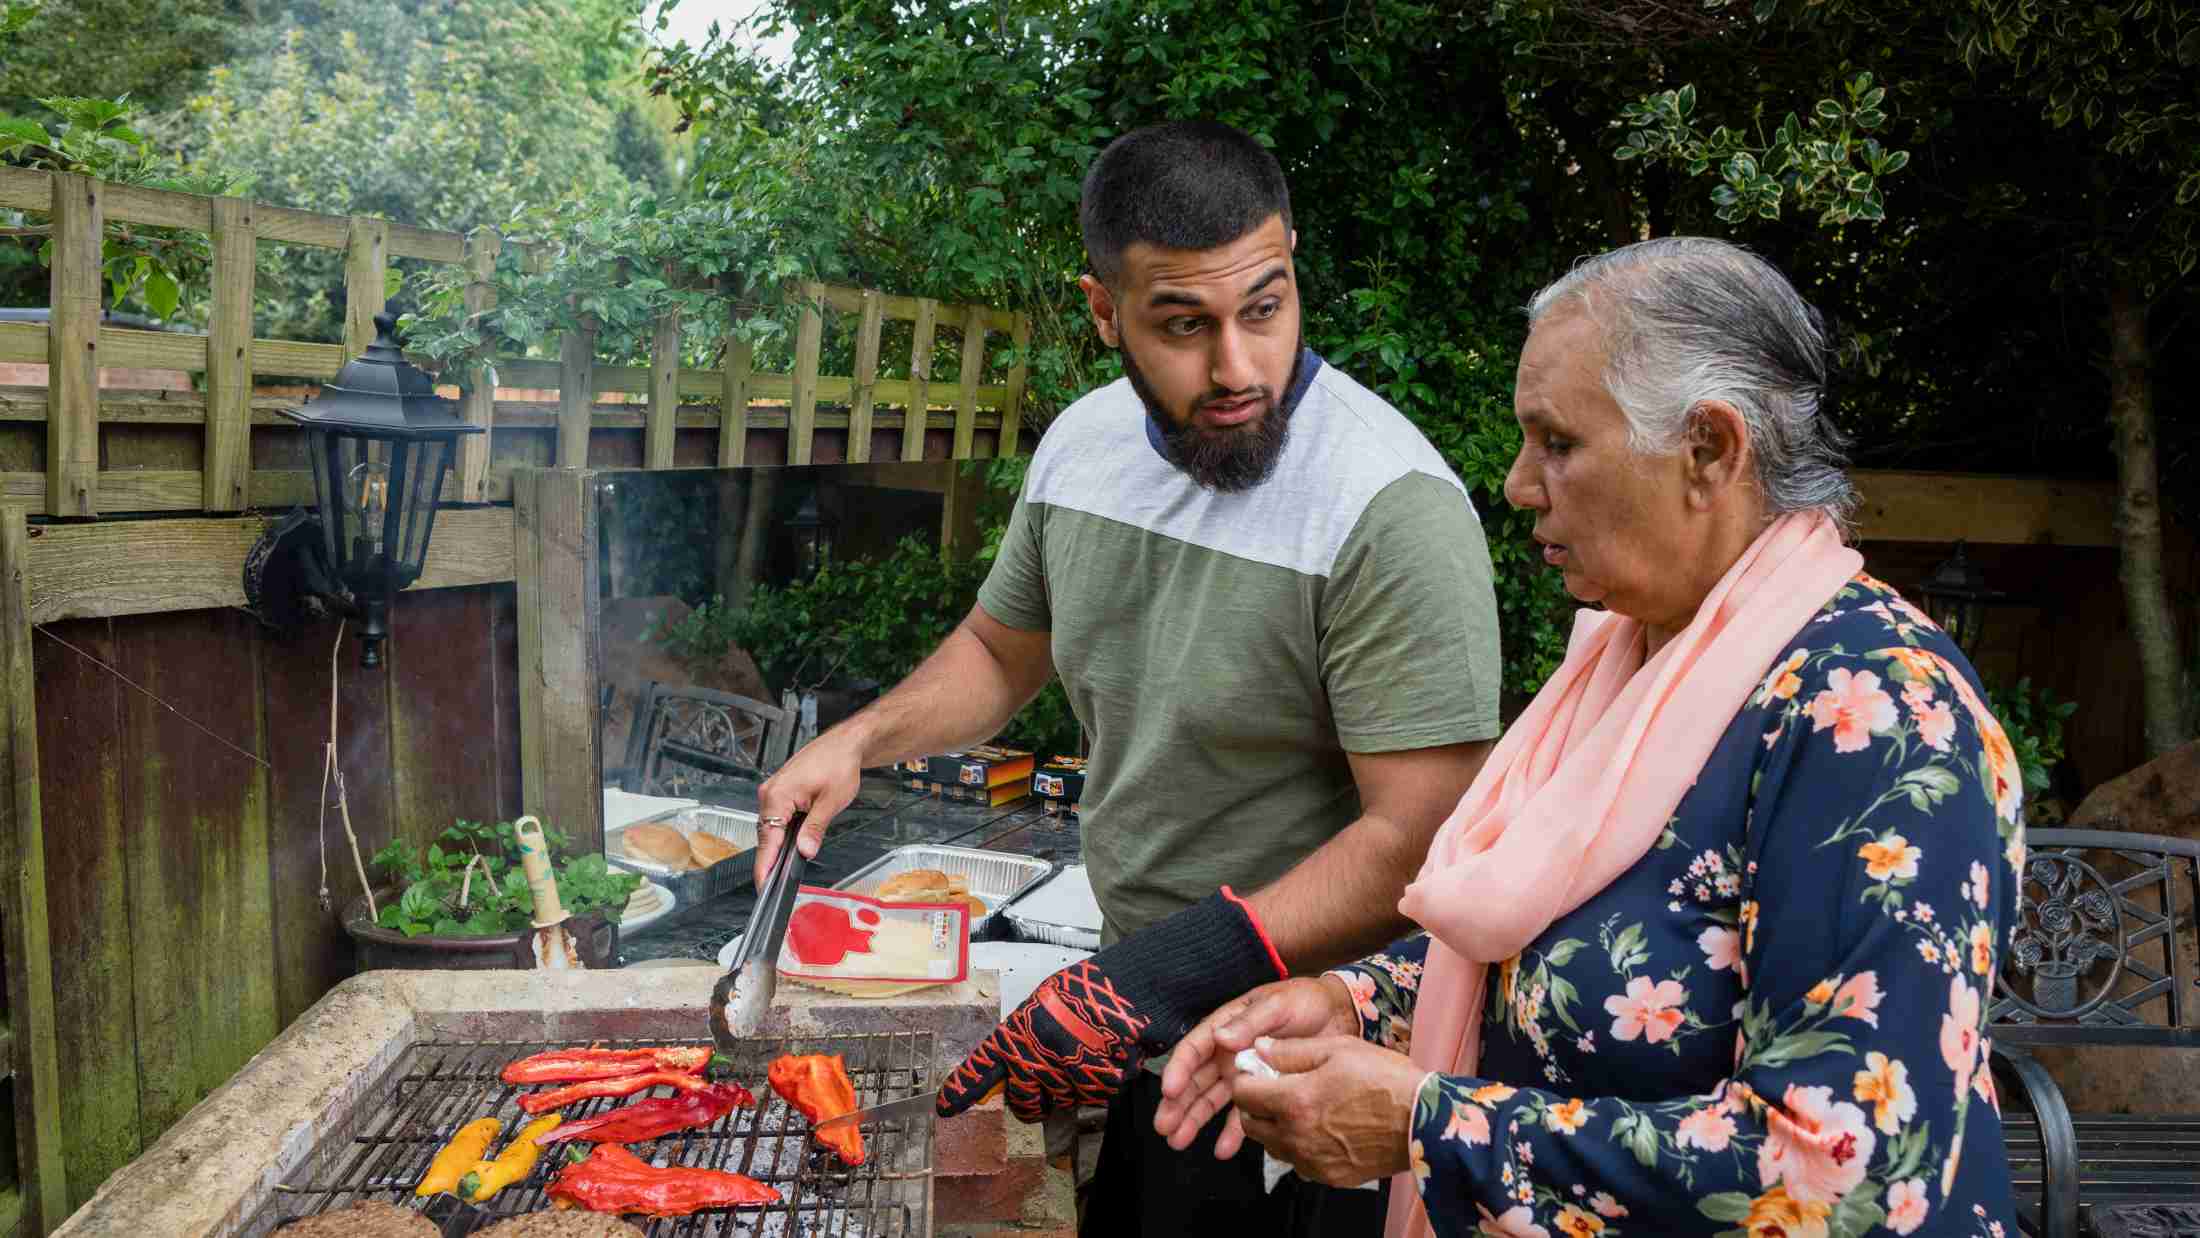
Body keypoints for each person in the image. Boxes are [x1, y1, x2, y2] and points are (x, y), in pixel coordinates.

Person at [1157, 236, 2024, 1238]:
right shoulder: (1639, 665)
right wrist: (1357, 1004)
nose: (1521, 482)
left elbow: (1843, 1172)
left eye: (1556, 442)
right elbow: (1576, 959)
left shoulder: (1872, 711)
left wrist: (1433, 1125)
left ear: (1707, 450)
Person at [752, 119, 1503, 1233]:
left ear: (1293, 260)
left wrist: (1155, 974)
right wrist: (855, 740)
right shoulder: (1084, 445)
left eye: (1265, 304)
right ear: (1103, 310)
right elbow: (1003, 650)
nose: (1240, 365)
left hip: (1312, 1061)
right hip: (1140, 1016)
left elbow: (1420, 835)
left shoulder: (1388, 505)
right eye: (1183, 325)